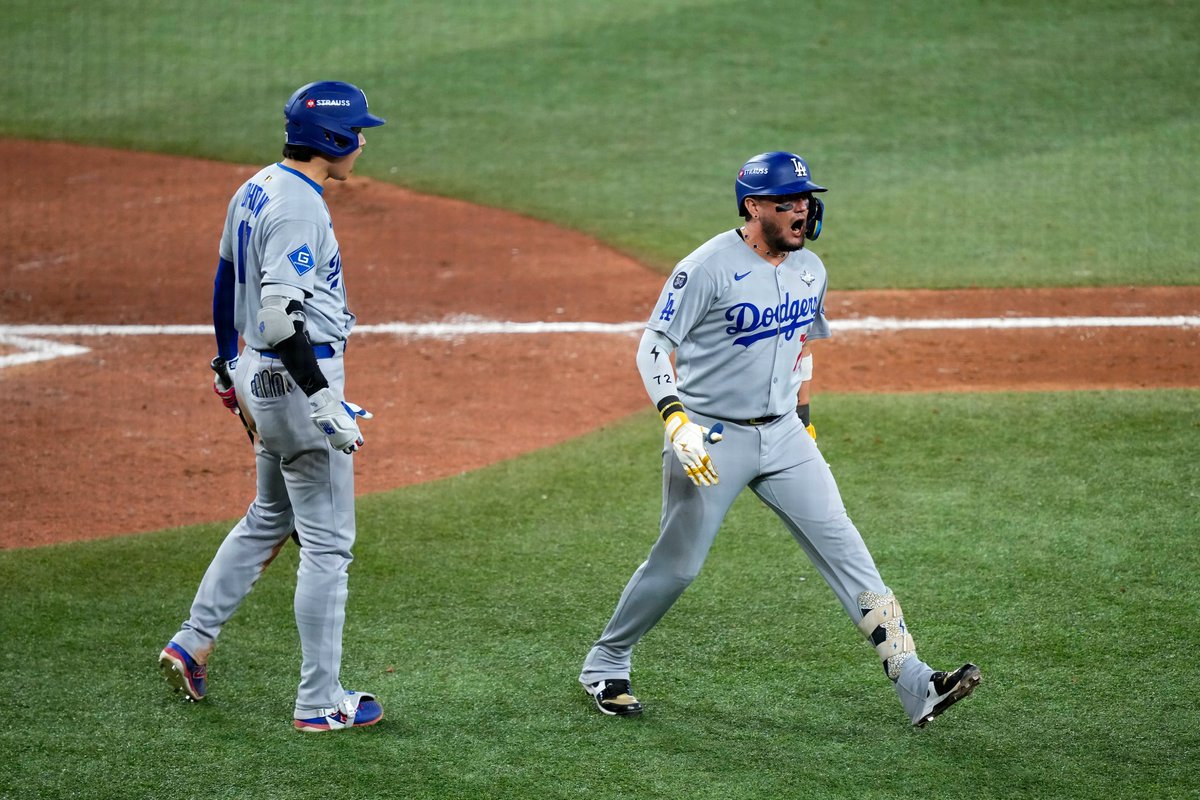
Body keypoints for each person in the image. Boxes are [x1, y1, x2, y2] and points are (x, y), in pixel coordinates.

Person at [578, 151, 981, 727]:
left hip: (786, 435)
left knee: (848, 551)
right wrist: (676, 420)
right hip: (712, 436)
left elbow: (801, 350)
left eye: (805, 199)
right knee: (679, 565)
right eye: (787, 202)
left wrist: (806, 423)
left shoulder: (811, 269)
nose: (802, 210)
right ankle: (606, 661)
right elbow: (651, 347)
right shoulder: (707, 267)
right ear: (753, 207)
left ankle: (917, 681)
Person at [159, 80, 387, 732]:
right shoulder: (298, 210)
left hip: (263, 374)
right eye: (358, 133)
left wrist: (228, 363)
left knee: (270, 514)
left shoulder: (257, 185)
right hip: (297, 380)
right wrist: (323, 401)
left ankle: (193, 639)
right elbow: (278, 314)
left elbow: (225, 276)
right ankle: (321, 703)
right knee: (328, 545)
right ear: (334, 140)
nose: (364, 142)